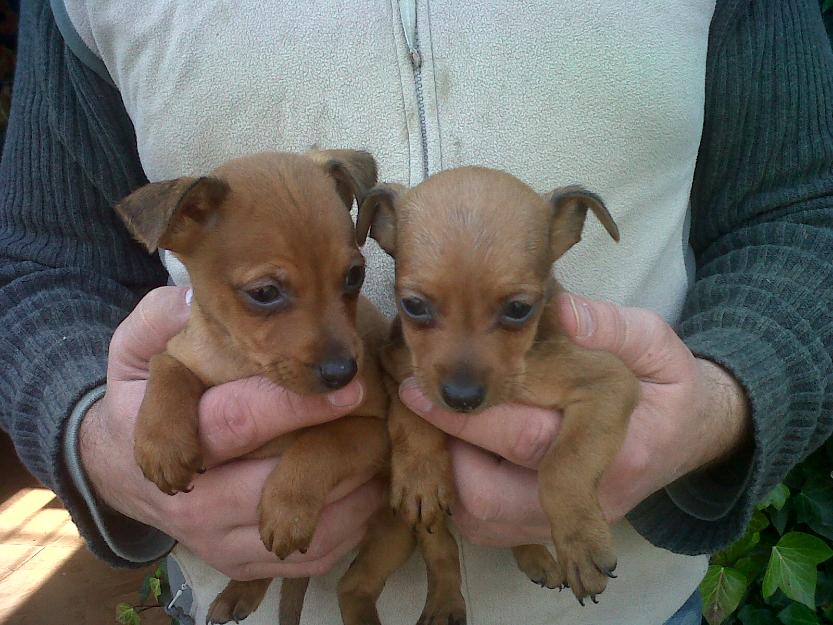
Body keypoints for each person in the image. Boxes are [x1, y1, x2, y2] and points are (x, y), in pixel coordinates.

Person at [1, 1, 832, 624]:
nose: (334, 338)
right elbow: (35, 264)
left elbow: (808, 210)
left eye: (349, 277)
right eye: (417, 309)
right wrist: (93, 439)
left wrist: (717, 405)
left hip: (629, 600)